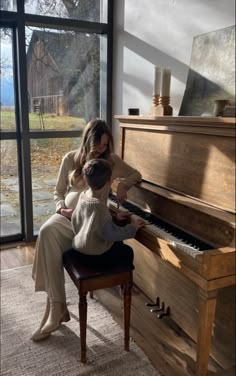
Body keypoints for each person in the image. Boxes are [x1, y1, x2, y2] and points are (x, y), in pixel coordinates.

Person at [31, 118, 142, 341]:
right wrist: (62, 209)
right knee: (46, 231)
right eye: (97, 145)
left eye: (105, 145)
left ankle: (56, 309)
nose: (101, 150)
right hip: (69, 219)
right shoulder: (70, 159)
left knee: (49, 237)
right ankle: (58, 307)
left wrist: (121, 185)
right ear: (87, 141)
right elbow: (58, 192)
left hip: (90, 225)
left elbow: (136, 174)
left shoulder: (110, 161)